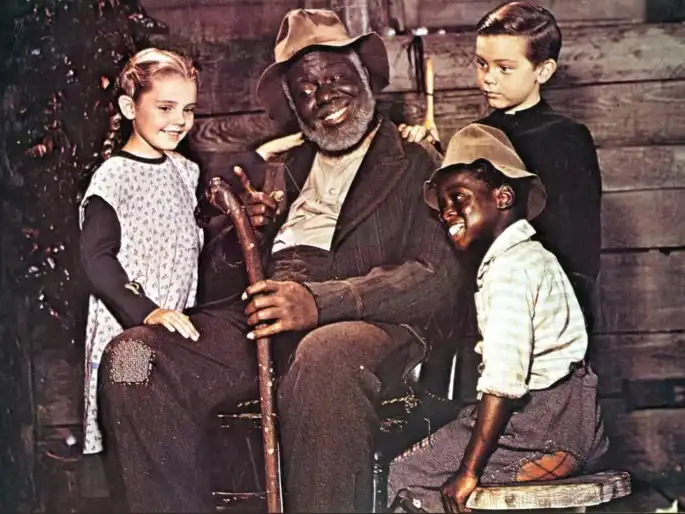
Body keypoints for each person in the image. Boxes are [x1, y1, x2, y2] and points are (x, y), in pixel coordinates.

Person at [98, 8, 466, 513]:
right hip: (263, 321)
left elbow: (434, 276)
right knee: (134, 356)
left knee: (325, 355)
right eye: (306, 89)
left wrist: (318, 302)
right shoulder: (278, 167)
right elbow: (213, 288)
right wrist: (242, 237)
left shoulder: (417, 161)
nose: (324, 95)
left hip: (365, 324)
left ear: (365, 77)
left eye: (336, 77)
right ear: (293, 104)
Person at [387, 123, 608, 513]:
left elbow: (504, 382)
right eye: (442, 204)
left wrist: (468, 471)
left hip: (541, 430)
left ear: (503, 196)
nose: (447, 212)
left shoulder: (510, 270)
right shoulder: (529, 257)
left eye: (459, 197)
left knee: (405, 474)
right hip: (569, 423)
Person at [406, 2, 602, 328]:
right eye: (482, 64)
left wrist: (567, 319)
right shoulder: (476, 136)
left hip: (544, 305)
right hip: (479, 298)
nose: (488, 79)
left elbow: (580, 245)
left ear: (543, 70)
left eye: (505, 68)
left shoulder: (567, 136)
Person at [79, 48, 202, 456]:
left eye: (188, 109)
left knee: (170, 436)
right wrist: (146, 311)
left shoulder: (185, 171)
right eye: (165, 107)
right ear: (130, 107)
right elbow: (96, 259)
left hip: (173, 330)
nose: (179, 120)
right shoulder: (114, 177)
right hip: (127, 331)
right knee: (135, 436)